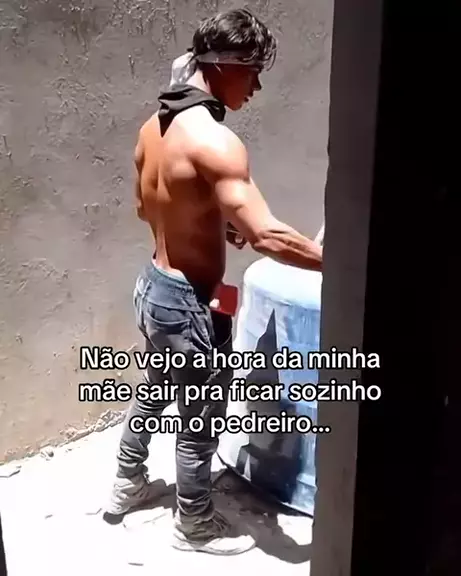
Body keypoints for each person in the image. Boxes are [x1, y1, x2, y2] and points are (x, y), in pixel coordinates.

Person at [105, 8, 323, 555]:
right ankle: (195, 523)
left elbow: (147, 207)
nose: (256, 87)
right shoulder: (216, 141)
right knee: (200, 418)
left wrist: (210, 221)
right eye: (252, 72)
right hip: (188, 303)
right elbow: (268, 234)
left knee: (154, 390)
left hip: (153, 286)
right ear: (225, 65)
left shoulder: (155, 127)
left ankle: (127, 482)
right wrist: (340, 261)